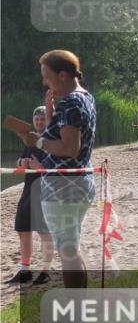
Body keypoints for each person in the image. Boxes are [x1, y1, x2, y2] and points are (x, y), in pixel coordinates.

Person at [17, 51, 96, 289]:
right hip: (77, 183)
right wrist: (49, 119)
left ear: (62, 75)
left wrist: (37, 142)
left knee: (68, 251)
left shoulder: (71, 102)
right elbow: (65, 137)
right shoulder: (85, 97)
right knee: (71, 248)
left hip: (63, 187)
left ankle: (75, 313)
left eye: (47, 76)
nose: (44, 82)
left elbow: (69, 148)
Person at [6, 106, 54, 286]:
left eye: (42, 119)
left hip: (46, 190)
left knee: (44, 232)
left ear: (47, 120)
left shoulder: (53, 139)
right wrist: (23, 162)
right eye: (37, 119)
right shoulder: (31, 139)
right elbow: (19, 161)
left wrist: (40, 167)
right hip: (28, 189)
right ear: (33, 121)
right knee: (22, 228)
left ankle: (45, 271)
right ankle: (24, 271)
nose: (40, 122)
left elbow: (59, 170)